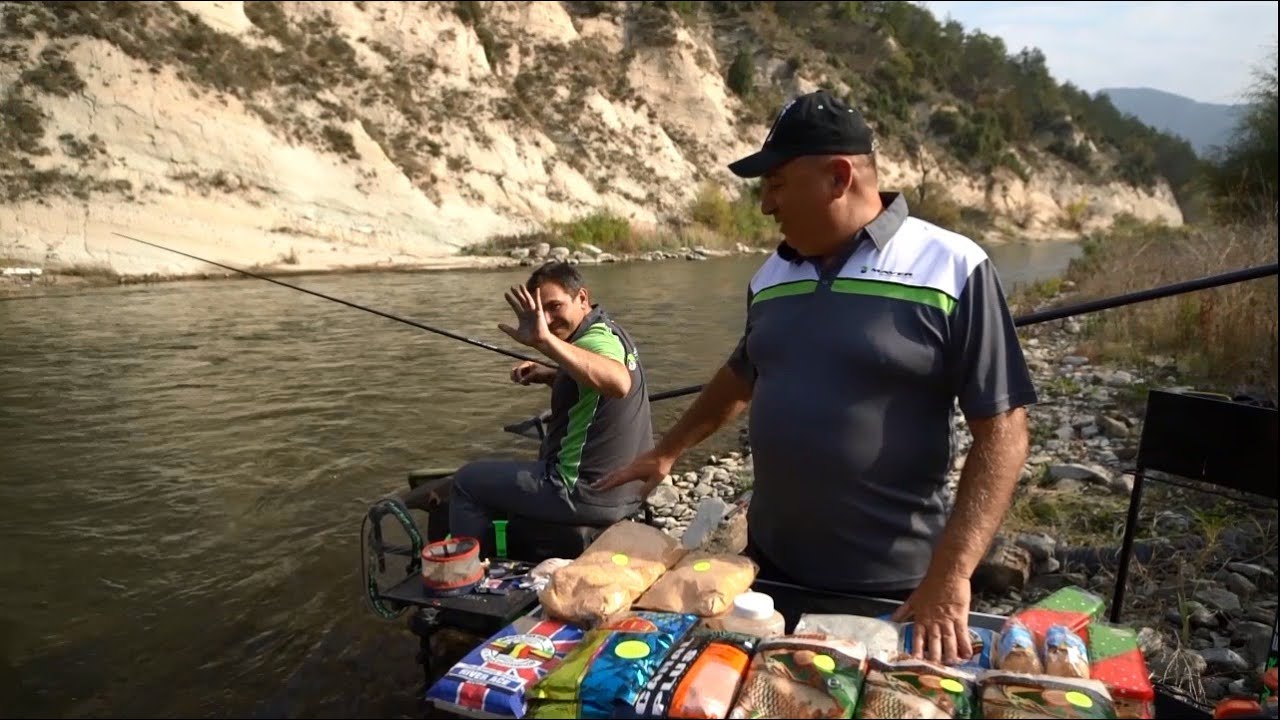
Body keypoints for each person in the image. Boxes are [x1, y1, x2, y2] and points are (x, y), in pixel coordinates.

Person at [594, 89, 1037, 665]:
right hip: (766, 572)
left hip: (894, 587)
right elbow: (744, 369)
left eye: (776, 185)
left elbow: (1004, 432)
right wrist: (668, 450)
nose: (766, 208)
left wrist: (952, 577)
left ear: (838, 177)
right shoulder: (770, 276)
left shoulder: (952, 268)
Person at [416, 261, 654, 556]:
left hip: (585, 493)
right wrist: (552, 375)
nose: (549, 320)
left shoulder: (594, 340)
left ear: (582, 297)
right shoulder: (609, 331)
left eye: (555, 306)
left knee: (466, 481)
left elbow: (618, 383)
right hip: (631, 490)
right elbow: (594, 385)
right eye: (541, 313)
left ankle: (471, 577)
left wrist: (545, 342)